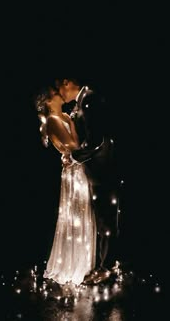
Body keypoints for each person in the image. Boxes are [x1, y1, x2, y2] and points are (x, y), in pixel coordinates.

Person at [55, 78, 119, 284]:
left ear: (67, 82)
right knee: (103, 219)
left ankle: (106, 268)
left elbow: (96, 140)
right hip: (97, 170)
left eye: (58, 89)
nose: (59, 95)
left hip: (103, 171)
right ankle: (106, 264)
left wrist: (75, 157)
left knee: (105, 220)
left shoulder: (90, 100)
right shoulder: (83, 101)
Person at [35, 86, 97, 286]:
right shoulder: (53, 120)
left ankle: (83, 262)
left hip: (77, 168)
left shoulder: (62, 116)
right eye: (55, 93)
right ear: (48, 100)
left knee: (81, 213)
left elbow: (74, 147)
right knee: (75, 214)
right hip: (73, 173)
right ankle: (73, 264)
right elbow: (73, 147)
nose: (59, 94)